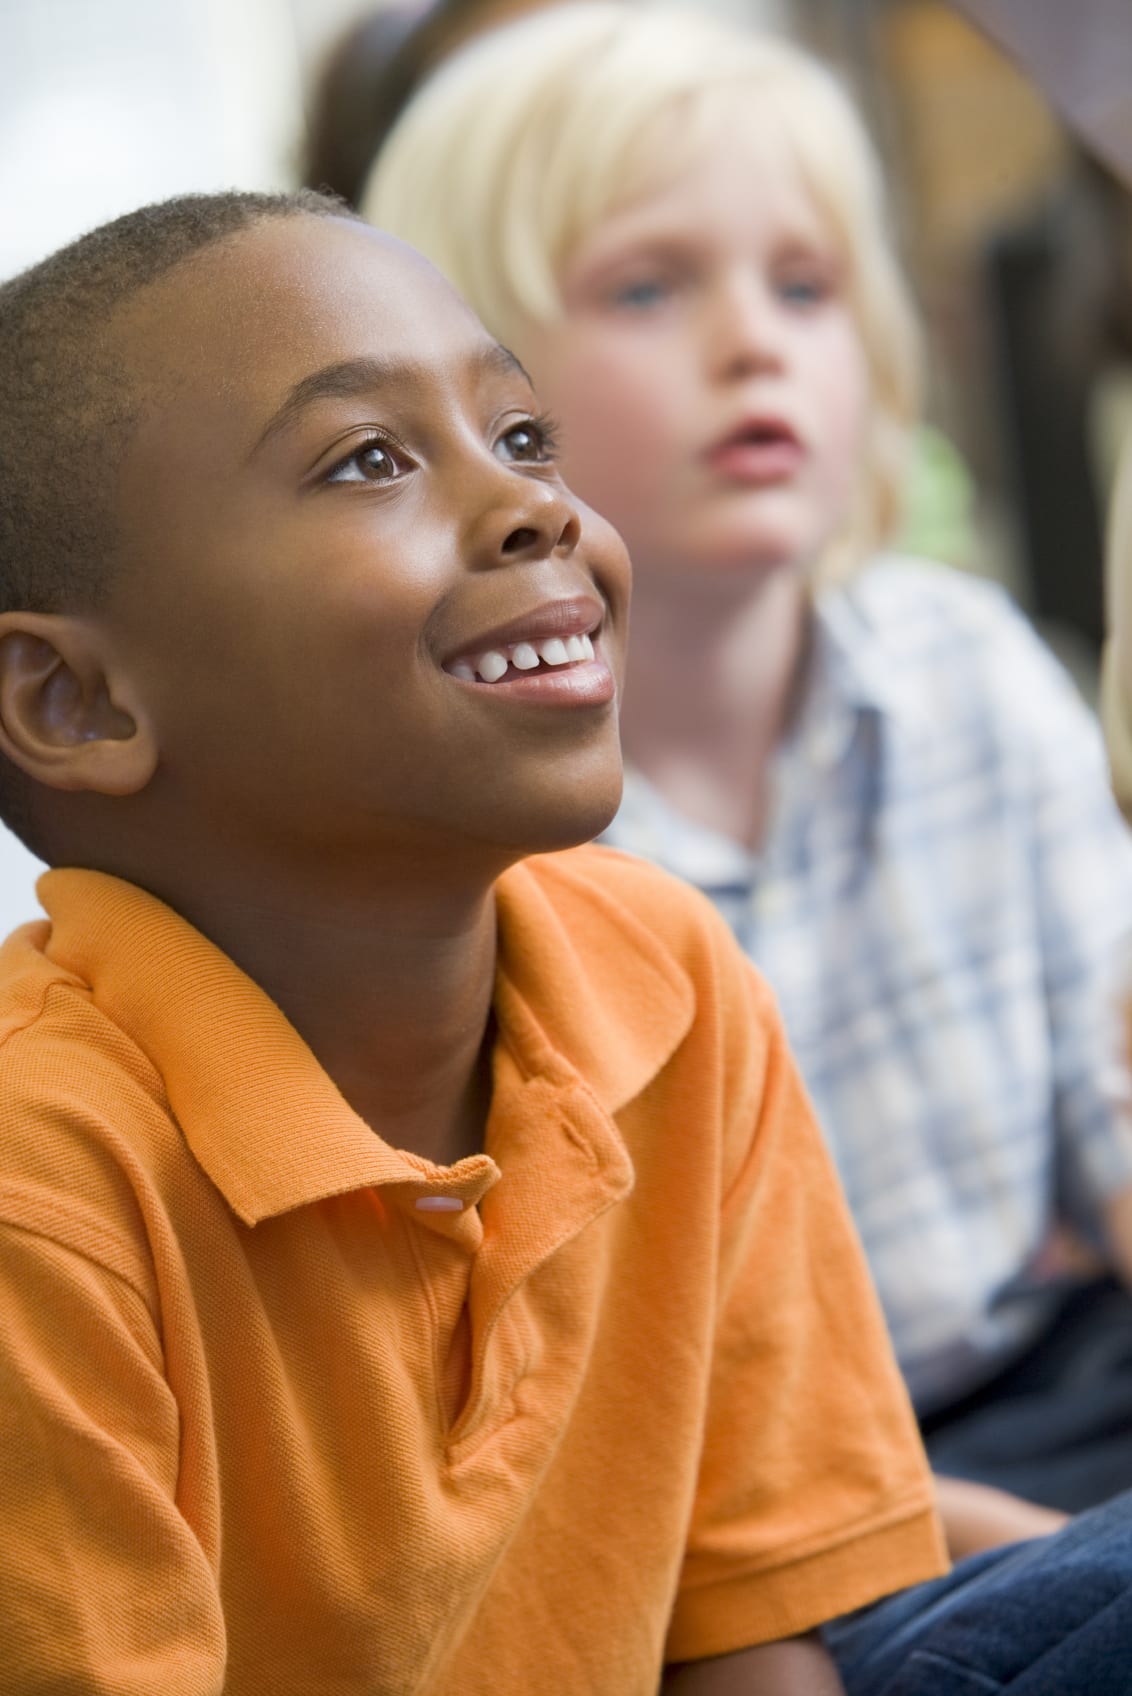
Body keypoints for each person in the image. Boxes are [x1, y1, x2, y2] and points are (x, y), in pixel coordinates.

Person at [5, 189, 1132, 1696]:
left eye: (523, 438)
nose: (538, 508)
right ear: (76, 706)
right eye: (368, 461)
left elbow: (753, 1639)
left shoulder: (661, 975)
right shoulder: (41, 1195)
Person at [363, 2, 1132, 1542]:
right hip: (761, 1504)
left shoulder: (969, 665)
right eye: (647, 286)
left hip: (1073, 1376)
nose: (753, 340)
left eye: (807, 284)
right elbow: (621, 1420)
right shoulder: (478, 854)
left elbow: (1112, 1121)